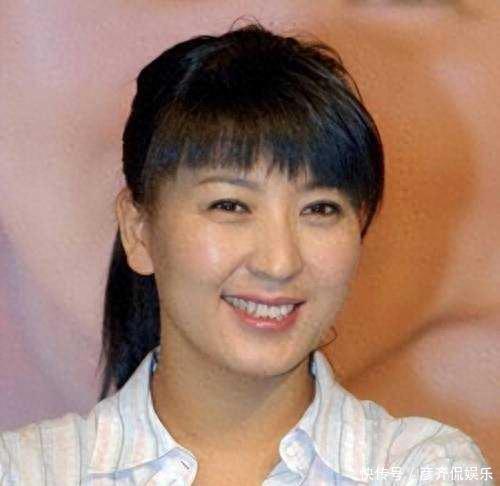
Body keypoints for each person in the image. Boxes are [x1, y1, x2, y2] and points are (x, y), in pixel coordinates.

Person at [0, 23, 494, 486]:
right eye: (231, 206)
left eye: (320, 209)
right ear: (138, 230)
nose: (279, 263)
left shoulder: (426, 469)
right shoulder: (27, 471)